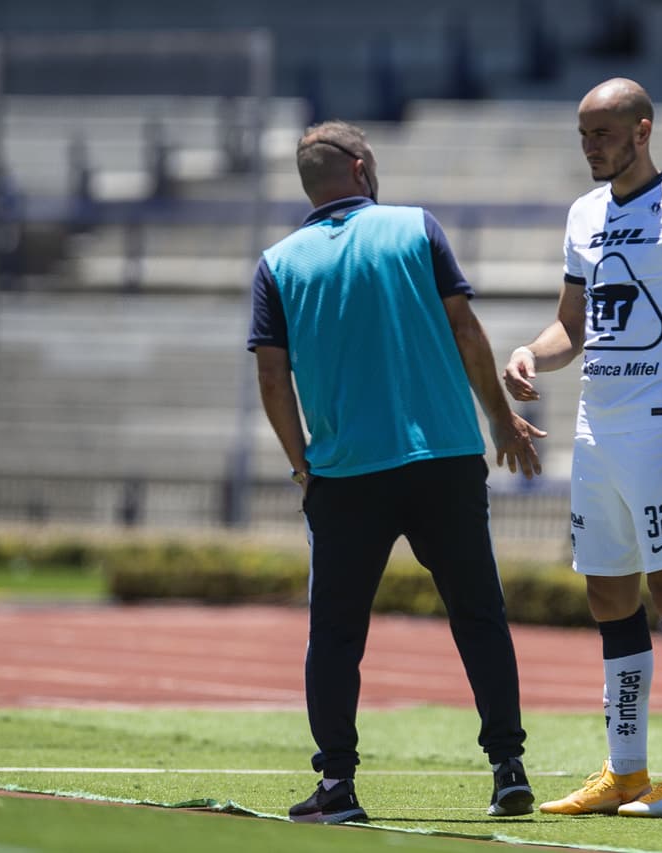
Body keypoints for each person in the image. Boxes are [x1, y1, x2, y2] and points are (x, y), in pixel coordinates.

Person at [248, 120, 545, 824]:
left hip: (346, 473)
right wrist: (500, 420)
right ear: (358, 167)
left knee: (337, 632)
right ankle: (508, 767)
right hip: (443, 454)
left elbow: (270, 376)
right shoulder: (416, 228)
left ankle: (339, 786)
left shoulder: (277, 262)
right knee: (478, 613)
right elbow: (466, 329)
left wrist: (302, 468)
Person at [503, 78, 662, 819]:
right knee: (608, 591)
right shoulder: (583, 215)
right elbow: (571, 326)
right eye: (583, 136)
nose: (591, 148)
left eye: (602, 134)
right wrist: (529, 355)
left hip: (660, 425)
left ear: (643, 130)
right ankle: (627, 772)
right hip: (595, 433)